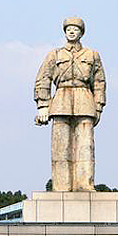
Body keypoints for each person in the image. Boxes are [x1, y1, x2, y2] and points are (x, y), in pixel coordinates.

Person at [34, 17, 106, 191]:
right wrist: (43, 105)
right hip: (60, 100)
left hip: (84, 99)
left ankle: (85, 185)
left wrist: (98, 106)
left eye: (75, 29)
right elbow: (43, 78)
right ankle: (61, 186)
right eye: (68, 29)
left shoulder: (92, 55)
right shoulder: (55, 54)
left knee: (85, 146)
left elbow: (99, 81)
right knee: (61, 147)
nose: (72, 32)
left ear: (81, 32)